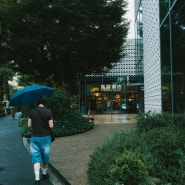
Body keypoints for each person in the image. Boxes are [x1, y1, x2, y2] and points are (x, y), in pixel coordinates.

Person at [28, 96, 54, 185]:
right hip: (45, 137)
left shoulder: (32, 111)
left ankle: (37, 179)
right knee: (45, 156)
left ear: (37, 102)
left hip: (34, 137)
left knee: (36, 158)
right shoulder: (48, 111)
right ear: (45, 102)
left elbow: (29, 125)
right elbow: (51, 126)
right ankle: (44, 173)